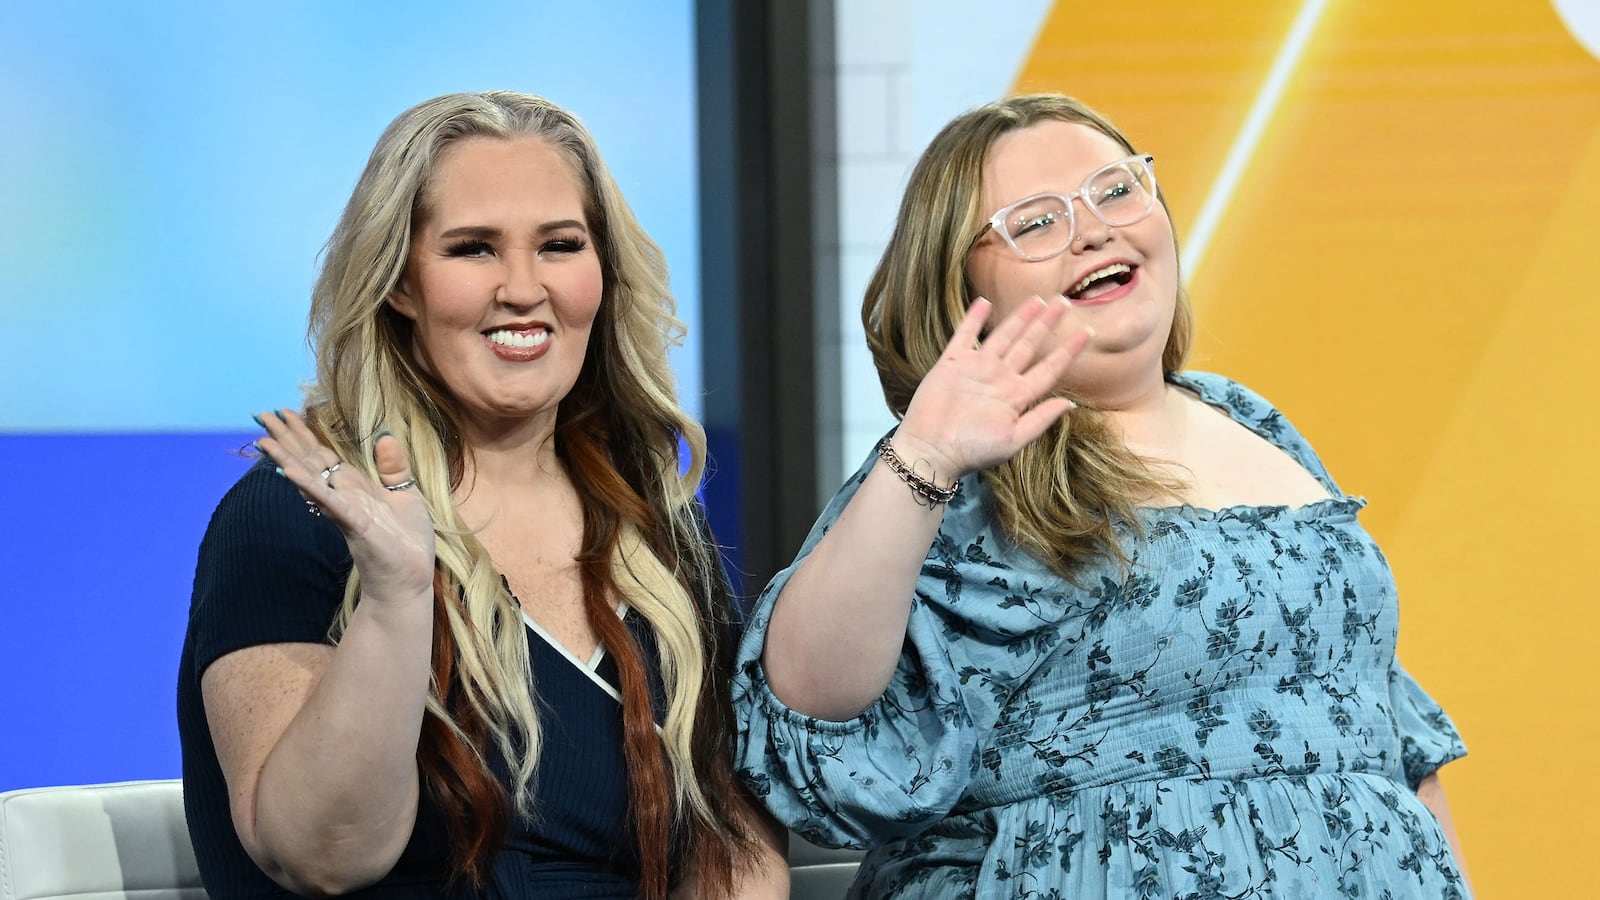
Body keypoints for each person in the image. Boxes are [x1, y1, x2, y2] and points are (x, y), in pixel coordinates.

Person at [731, 93, 1470, 898]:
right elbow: (810, 703)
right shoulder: (959, 470)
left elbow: (1389, 734)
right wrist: (926, 456)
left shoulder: (1252, 418)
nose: (1092, 230)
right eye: (1035, 223)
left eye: (1115, 190)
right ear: (961, 288)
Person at [177, 90, 787, 899]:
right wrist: (396, 601)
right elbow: (320, 855)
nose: (523, 288)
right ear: (401, 283)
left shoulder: (653, 524)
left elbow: (732, 837)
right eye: (473, 249)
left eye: (560, 245)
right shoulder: (293, 518)